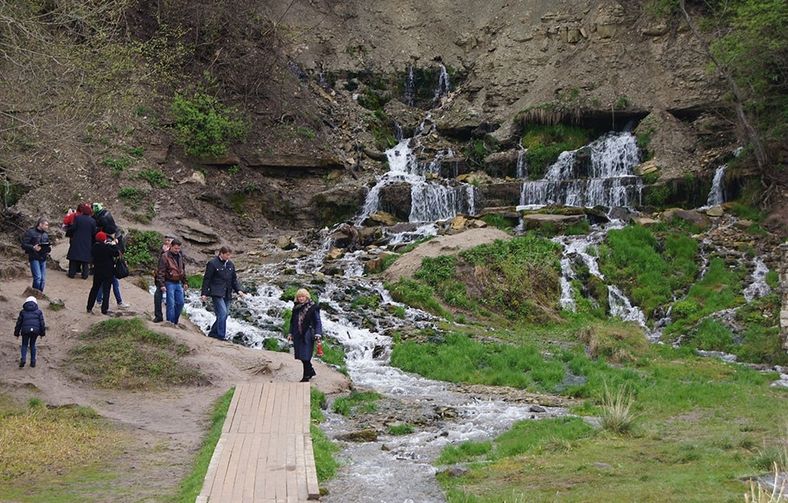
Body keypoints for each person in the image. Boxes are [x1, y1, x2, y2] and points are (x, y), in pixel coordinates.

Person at [201, 246, 245, 340]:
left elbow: (234, 280)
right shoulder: (212, 263)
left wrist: (239, 290)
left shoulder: (230, 265)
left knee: (224, 315)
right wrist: (204, 293)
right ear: (221, 253)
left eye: (229, 255)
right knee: (223, 313)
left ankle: (213, 333)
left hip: (227, 292)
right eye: (227, 255)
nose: (228, 257)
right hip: (216, 292)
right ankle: (221, 336)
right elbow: (207, 279)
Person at [288, 288, 323, 382]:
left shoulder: (313, 307)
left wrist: (318, 333)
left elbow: (317, 321)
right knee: (301, 355)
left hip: (308, 334)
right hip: (297, 334)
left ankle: (306, 376)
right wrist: (290, 333)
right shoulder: (296, 307)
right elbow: (292, 322)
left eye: (303, 296)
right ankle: (310, 371)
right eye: (299, 297)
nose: (301, 298)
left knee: (305, 355)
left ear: (307, 297)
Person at [86, 231, 119, 315]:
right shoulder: (107, 247)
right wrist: (114, 244)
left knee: (94, 289)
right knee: (106, 290)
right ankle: (104, 309)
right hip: (108, 272)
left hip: (97, 271)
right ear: (104, 239)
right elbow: (116, 253)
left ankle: (89, 307)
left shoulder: (94, 247)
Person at [96, 229, 131, 309]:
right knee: (114, 285)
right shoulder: (109, 244)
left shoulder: (98, 245)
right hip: (109, 269)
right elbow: (116, 253)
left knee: (102, 285)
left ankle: (99, 302)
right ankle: (119, 302)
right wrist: (114, 244)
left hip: (102, 269)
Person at [157, 238, 187, 324]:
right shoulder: (165, 256)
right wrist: (162, 284)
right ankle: (169, 322)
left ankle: (175, 321)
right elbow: (161, 271)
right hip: (169, 282)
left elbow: (182, 270)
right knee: (170, 303)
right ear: (171, 246)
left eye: (178, 248)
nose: (177, 250)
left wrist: (185, 282)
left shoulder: (180, 256)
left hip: (178, 282)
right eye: (175, 248)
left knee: (180, 303)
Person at [66, 203, 96, 279]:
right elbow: (93, 232)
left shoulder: (78, 218)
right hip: (87, 242)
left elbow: (73, 228)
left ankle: (71, 273)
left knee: (73, 258)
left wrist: (68, 234)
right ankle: (85, 275)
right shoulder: (92, 221)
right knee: (85, 260)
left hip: (77, 240)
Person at [15, 296, 46, 368]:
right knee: (33, 345)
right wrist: (42, 333)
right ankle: (33, 362)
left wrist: (16, 333)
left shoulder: (22, 312)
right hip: (35, 331)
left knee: (24, 344)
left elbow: (18, 323)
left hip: (25, 330)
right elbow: (42, 323)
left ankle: (23, 359)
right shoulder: (39, 312)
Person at [21, 217, 51, 292]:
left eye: (47, 225)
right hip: (34, 257)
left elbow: (47, 246)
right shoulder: (30, 232)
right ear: (40, 224)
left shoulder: (46, 234)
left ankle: (40, 294)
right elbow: (23, 244)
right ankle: (34, 293)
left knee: (43, 280)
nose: (47, 227)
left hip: (43, 257)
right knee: (38, 278)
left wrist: (48, 249)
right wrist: (33, 247)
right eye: (46, 225)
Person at [152, 236, 173, 323]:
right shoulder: (163, 252)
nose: (167, 242)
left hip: (171, 278)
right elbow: (160, 265)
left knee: (172, 299)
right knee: (157, 296)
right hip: (161, 278)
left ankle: (171, 318)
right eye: (166, 241)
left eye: (169, 241)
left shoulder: (176, 252)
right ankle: (158, 315)